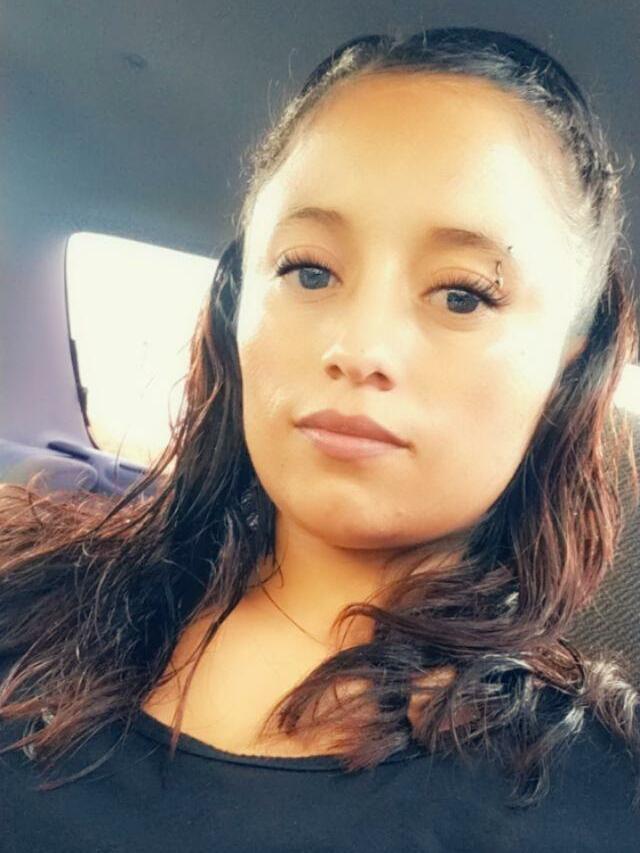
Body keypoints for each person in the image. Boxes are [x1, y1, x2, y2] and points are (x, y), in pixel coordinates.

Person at [1, 25, 640, 852]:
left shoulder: (596, 799)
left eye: (462, 295)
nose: (359, 346)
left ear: (569, 365)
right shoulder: (31, 596)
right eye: (310, 270)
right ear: (238, 302)